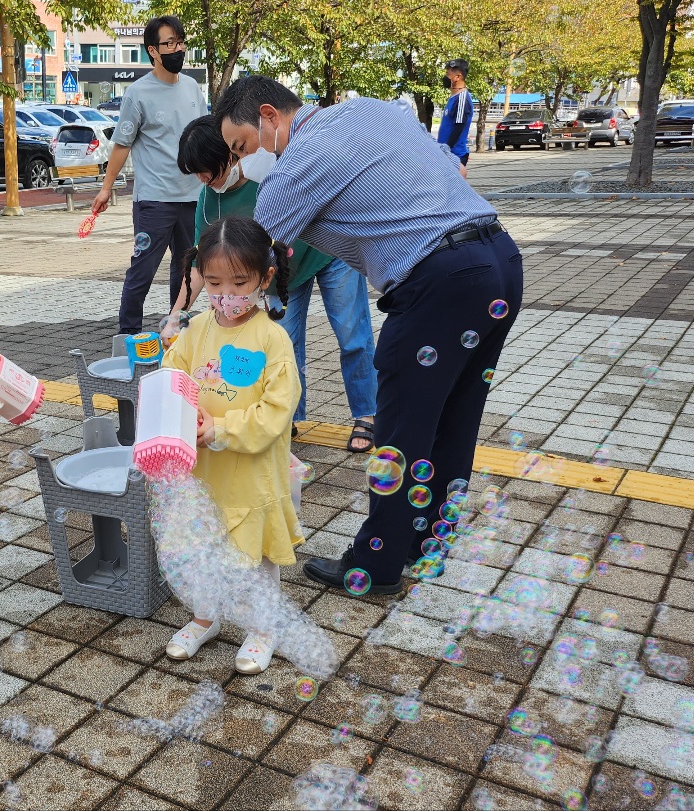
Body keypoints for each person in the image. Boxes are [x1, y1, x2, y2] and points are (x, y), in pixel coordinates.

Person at [213, 76, 523, 598]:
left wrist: (214, 302)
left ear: (269, 115)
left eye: (243, 146)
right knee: (453, 418)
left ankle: (377, 565)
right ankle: (424, 545)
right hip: (500, 261)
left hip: (439, 280)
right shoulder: (371, 110)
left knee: (401, 429)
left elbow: (255, 245)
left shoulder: (302, 155)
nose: (244, 161)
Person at [165, 115, 378, 451]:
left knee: (352, 335)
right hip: (278, 273)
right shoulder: (208, 200)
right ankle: (289, 417)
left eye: (208, 168)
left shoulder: (267, 176)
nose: (203, 178)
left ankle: (367, 413)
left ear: (233, 153)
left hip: (326, 253)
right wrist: (177, 314)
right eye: (196, 172)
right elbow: (198, 264)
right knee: (285, 344)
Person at [159, 216, 302, 675]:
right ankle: (206, 617)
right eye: (214, 281)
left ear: (265, 277)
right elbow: (173, 378)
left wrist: (219, 429)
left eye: (240, 282)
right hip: (202, 471)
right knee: (202, 547)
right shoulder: (197, 330)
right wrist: (180, 416)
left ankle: (263, 628)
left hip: (251, 475)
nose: (227, 294)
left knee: (257, 556)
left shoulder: (273, 339)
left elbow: (275, 414)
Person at [90, 15, 205, 334]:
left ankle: (176, 332)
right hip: (154, 201)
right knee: (142, 271)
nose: (178, 49)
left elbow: (206, 135)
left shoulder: (193, 87)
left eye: (181, 43)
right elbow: (121, 145)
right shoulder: (138, 93)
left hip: (193, 199)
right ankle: (127, 334)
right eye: (170, 44)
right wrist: (105, 188)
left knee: (185, 273)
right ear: (153, 51)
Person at [438, 59, 474, 169]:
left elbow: (459, 126)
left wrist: (447, 147)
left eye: (448, 74)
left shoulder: (462, 99)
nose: (446, 77)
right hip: (447, 155)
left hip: (455, 156)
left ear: (457, 77)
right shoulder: (454, 97)